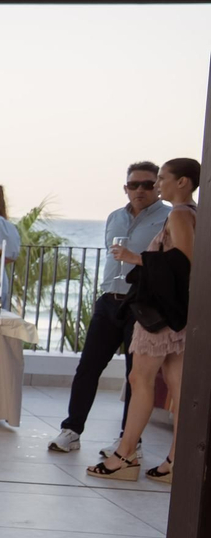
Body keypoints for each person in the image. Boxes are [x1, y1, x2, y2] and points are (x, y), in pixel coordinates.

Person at [88, 157, 199, 485]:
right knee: (177, 384)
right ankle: (176, 460)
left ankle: (124, 456)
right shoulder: (193, 213)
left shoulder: (179, 213)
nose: (157, 184)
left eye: (162, 179)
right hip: (178, 313)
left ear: (182, 182)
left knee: (140, 378)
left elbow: (184, 261)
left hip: (159, 317)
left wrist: (136, 258)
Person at [48, 162, 170, 454]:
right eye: (133, 184)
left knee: (136, 376)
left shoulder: (169, 217)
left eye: (147, 184)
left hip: (143, 305)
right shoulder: (115, 217)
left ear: (158, 187)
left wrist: (135, 257)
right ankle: (71, 430)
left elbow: (171, 263)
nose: (139, 190)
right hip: (109, 301)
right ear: (125, 188)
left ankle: (129, 441)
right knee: (87, 367)